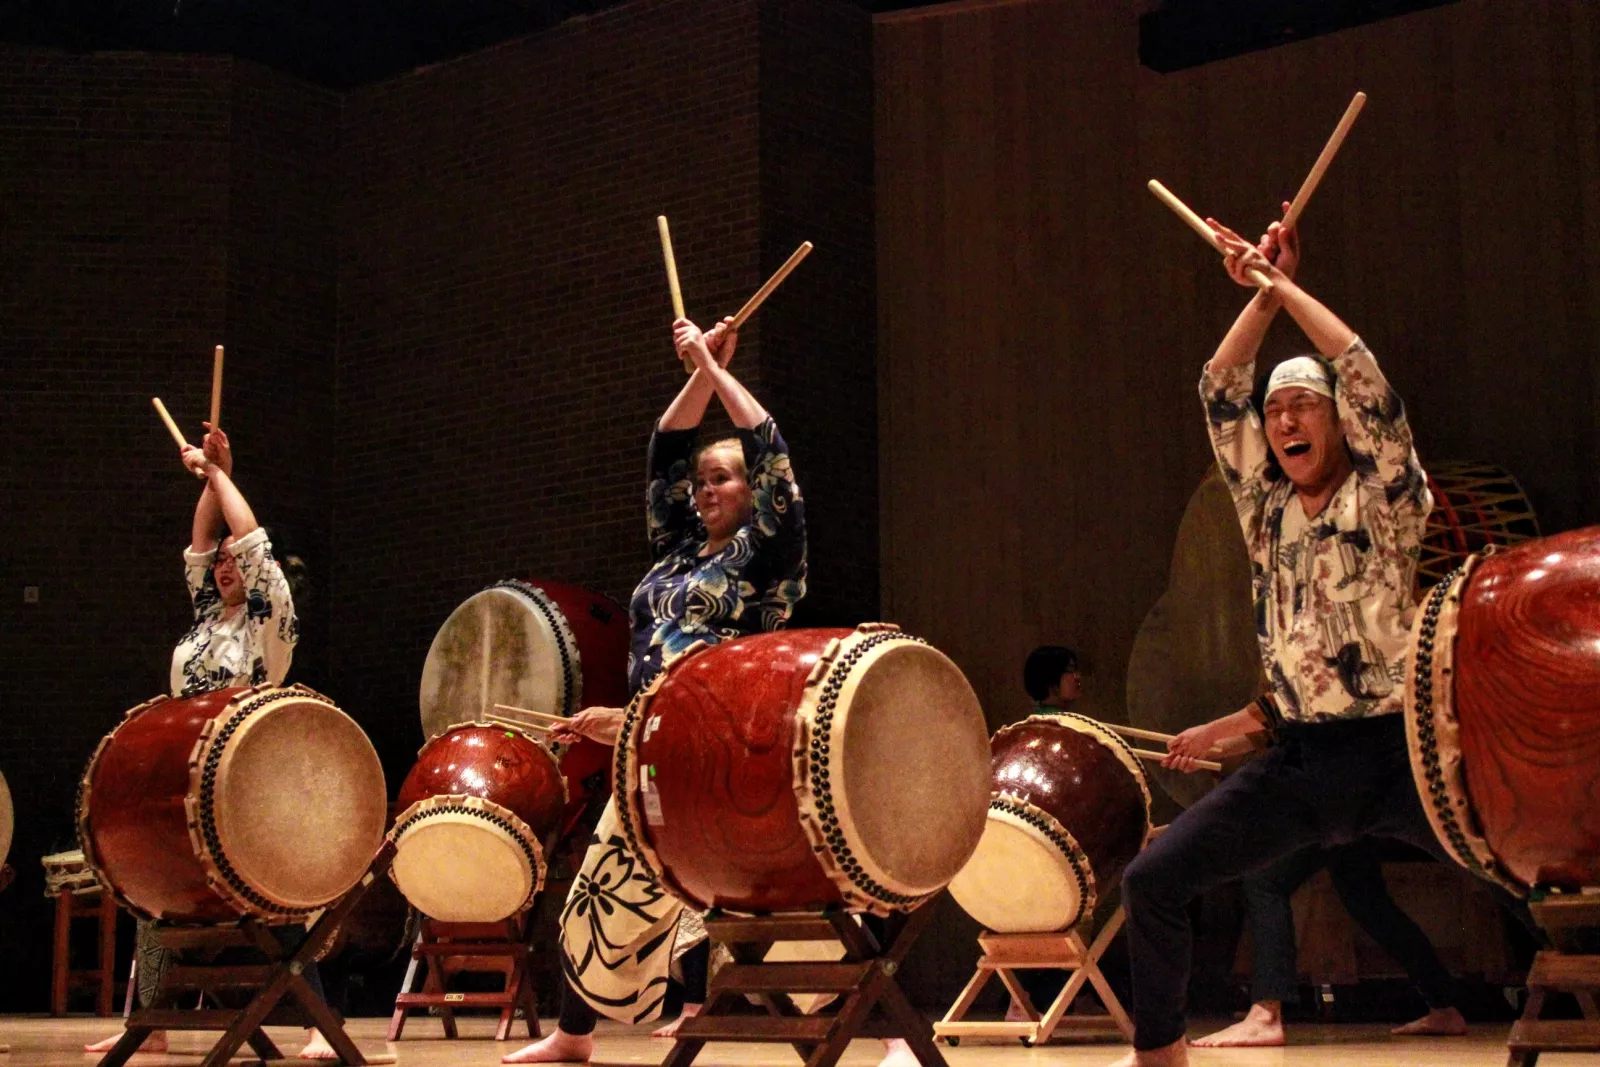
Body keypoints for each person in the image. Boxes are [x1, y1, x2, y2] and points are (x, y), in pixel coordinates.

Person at [1106, 207, 1504, 1067]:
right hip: (1304, 761)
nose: (1284, 421)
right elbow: (1220, 383)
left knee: (1530, 867)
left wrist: (1287, 284)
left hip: (1402, 751)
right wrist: (1254, 295)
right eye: (1275, 410)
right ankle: (1159, 1054)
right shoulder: (1264, 511)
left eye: (1302, 406)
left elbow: (1367, 379)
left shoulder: (1387, 497)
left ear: (1335, 421)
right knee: (1153, 881)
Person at [502, 316, 807, 1064]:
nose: (704, 490)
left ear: (751, 491)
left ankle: (889, 1030)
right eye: (700, 482)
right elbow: (663, 448)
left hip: (733, 741)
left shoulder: (766, 552)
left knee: (802, 897)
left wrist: (714, 363)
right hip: (656, 742)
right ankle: (575, 1036)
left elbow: (771, 446)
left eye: (722, 478)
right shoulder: (674, 553)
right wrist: (699, 373)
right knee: (600, 889)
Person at [86, 425, 333, 1059]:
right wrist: (207, 477)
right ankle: (154, 1020)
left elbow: (249, 542)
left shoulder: (270, 617)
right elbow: (203, 542)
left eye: (234, 561)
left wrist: (222, 472)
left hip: (248, 773)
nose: (223, 563)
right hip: (188, 772)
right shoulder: (206, 619)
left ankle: (315, 1027)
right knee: (156, 886)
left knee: (281, 903)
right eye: (218, 562)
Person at [1165, 698, 1467, 1046]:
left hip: (1328, 790)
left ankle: (1266, 1014)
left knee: (1265, 881)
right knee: (1370, 903)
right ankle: (1444, 1006)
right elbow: (1264, 729)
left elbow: (1274, 708)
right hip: (1348, 790)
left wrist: (1208, 734)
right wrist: (1204, 748)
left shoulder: (1298, 650)